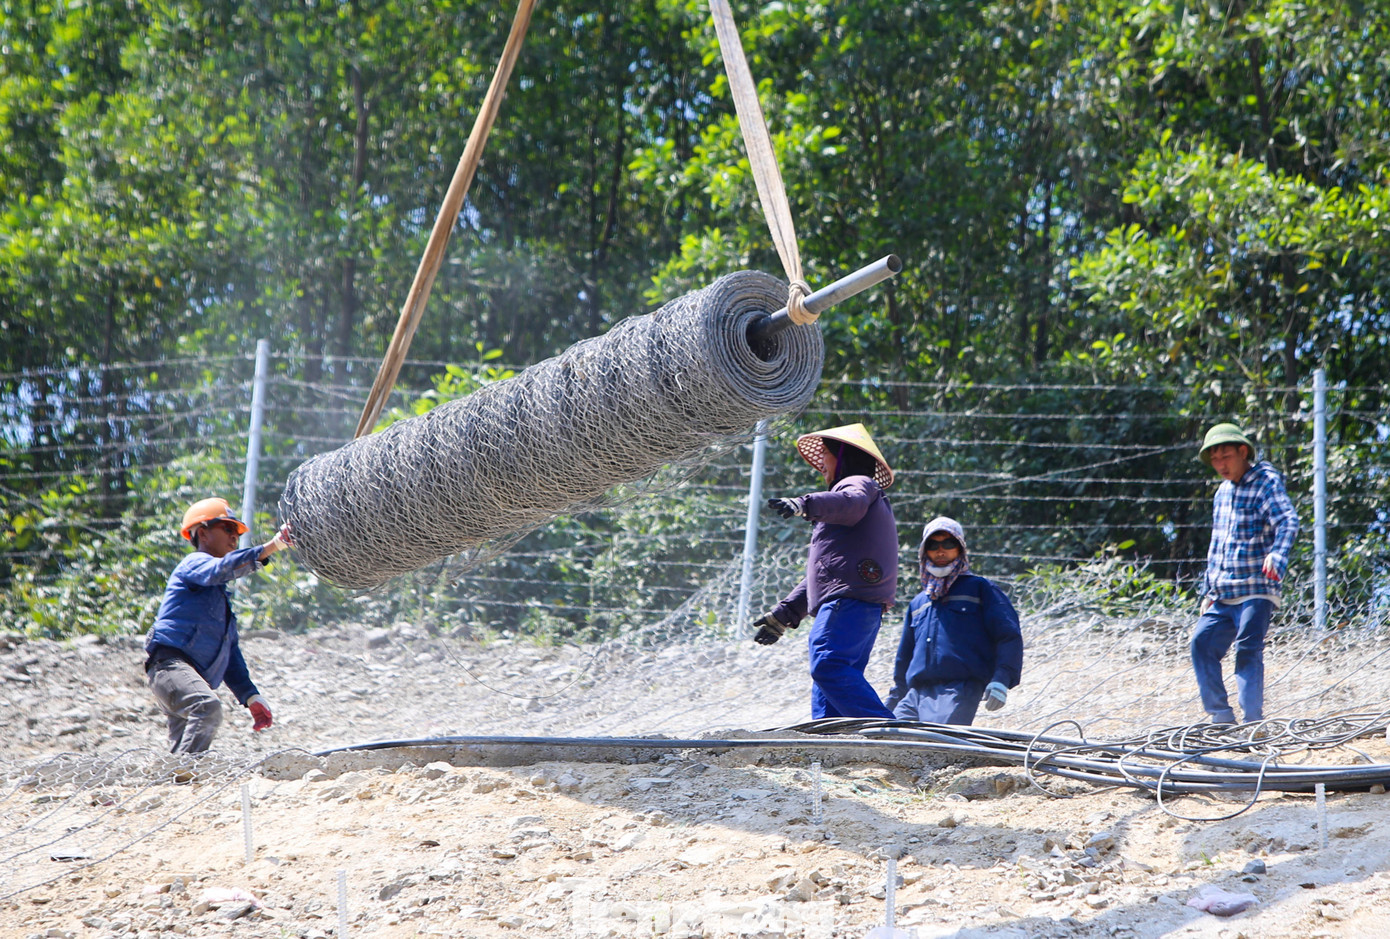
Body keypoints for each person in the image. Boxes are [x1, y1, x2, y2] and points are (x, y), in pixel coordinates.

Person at [751, 423, 898, 720]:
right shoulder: (855, 505)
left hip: (847, 604)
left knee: (828, 666)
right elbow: (826, 574)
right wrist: (785, 615)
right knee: (831, 686)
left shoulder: (858, 485)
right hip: (855, 604)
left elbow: (850, 503)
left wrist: (804, 503)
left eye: (826, 456)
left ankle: (890, 732)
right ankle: (831, 744)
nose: (821, 467)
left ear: (844, 457)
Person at [144, 497, 293, 753]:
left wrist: (250, 695)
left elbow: (230, 654)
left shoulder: (218, 601)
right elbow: (221, 569)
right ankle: (183, 773)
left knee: (185, 750)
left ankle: (177, 786)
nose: (234, 537)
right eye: (228, 529)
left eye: (236, 531)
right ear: (203, 533)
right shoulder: (194, 564)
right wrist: (274, 545)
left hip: (186, 676)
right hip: (171, 668)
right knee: (206, 707)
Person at [1190, 423, 1299, 725]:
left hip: (1256, 588)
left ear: (1243, 452)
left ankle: (1254, 724)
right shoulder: (1222, 493)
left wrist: (1277, 554)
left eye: (1226, 456)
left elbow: (1287, 521)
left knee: (1247, 650)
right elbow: (1216, 546)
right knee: (1201, 643)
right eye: (1215, 459)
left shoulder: (1265, 483)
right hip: (1223, 593)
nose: (1221, 465)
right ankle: (1221, 717)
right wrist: (1209, 592)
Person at [884, 517, 1023, 724]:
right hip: (915, 694)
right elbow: (904, 658)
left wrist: (1001, 680)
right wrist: (894, 700)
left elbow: (1008, 636)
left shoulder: (980, 589)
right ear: (924, 551)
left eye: (948, 544)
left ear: (960, 548)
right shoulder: (919, 602)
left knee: (938, 745)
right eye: (933, 545)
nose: (941, 551)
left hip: (959, 689)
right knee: (889, 743)